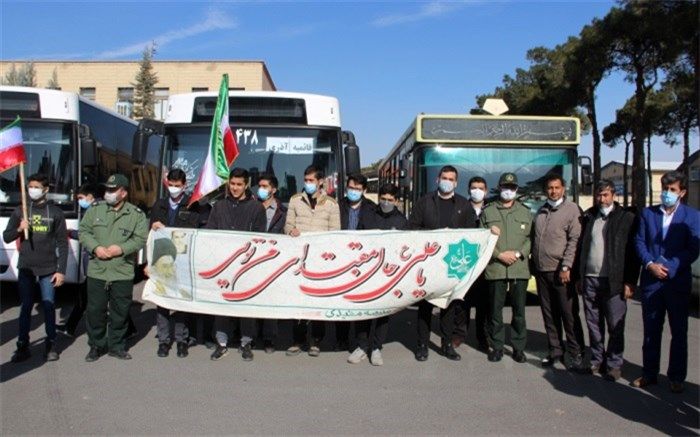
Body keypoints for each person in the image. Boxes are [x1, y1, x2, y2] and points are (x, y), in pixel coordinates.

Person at [633, 171, 699, 393]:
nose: (667, 194)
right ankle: (649, 373)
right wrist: (650, 264)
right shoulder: (647, 214)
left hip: (676, 282)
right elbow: (640, 242)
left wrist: (670, 267)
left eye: (672, 190)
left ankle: (676, 376)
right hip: (652, 282)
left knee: (678, 331)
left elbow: (692, 249)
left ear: (682, 192)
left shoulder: (692, 216)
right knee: (651, 330)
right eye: (665, 189)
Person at [408, 165, 477, 362]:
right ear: (438, 179)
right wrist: (434, 236)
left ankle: (447, 345)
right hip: (427, 263)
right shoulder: (424, 202)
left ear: (456, 183)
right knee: (425, 307)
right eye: (444, 177)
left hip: (451, 265)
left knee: (449, 307)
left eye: (451, 178)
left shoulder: (464, 205)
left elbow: (471, 234)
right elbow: (412, 228)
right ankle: (422, 345)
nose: (447, 181)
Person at [79, 173, 148, 361]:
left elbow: (140, 239)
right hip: (97, 270)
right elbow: (83, 231)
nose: (108, 193)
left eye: (112, 190)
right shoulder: (95, 210)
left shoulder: (136, 215)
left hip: (122, 271)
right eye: (107, 189)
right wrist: (96, 247)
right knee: (95, 311)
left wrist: (121, 249)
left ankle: (117, 346)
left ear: (123, 193)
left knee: (120, 312)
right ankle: (96, 345)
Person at [576, 179, 639, 381]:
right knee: (593, 324)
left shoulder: (626, 218)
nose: (602, 198)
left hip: (614, 281)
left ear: (613, 195)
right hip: (590, 279)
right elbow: (581, 250)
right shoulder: (588, 217)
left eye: (605, 194)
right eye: (599, 195)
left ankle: (614, 364)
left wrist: (629, 281)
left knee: (615, 325)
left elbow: (632, 253)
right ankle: (596, 360)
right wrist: (579, 276)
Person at [57, 184, 138, 339]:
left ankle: (72, 328)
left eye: (81, 198)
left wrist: (70, 233)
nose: (80, 201)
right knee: (96, 297)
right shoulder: (94, 209)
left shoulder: (98, 211)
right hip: (96, 262)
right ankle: (70, 327)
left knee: (103, 298)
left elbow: (91, 234)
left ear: (90, 196)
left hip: (100, 262)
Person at [3, 173, 67, 362]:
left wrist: (61, 270)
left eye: (37, 186)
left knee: (48, 305)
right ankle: (22, 345)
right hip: (26, 268)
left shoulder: (55, 213)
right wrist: (18, 228)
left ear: (46, 190)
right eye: (30, 186)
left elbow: (63, 243)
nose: (33, 190)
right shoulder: (20, 211)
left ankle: (51, 343)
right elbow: (6, 236)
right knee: (26, 307)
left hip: (48, 268)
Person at [206, 168, 266, 362]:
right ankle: (221, 343)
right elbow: (210, 233)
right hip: (223, 265)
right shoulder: (219, 206)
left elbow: (260, 238)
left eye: (239, 184)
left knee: (245, 305)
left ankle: (246, 343)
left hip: (246, 266)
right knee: (221, 305)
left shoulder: (257, 208)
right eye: (232, 184)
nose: (235, 188)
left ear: (246, 185)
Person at [347, 183, 407, 366]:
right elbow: (357, 240)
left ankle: (376, 348)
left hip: (388, 274)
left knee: (382, 312)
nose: (386, 202)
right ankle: (361, 346)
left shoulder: (402, 221)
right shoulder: (368, 215)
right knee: (363, 311)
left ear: (396, 201)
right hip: (366, 271)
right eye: (383, 199)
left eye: (390, 200)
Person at [531, 173, 586, 371]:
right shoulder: (542, 211)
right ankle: (555, 350)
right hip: (542, 271)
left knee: (569, 314)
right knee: (549, 314)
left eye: (557, 188)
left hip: (562, 272)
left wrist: (566, 266)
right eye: (550, 188)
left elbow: (574, 241)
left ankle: (576, 352)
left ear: (564, 189)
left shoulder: (572, 210)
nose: (553, 191)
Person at [284, 165, 340, 357]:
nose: (307, 184)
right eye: (305, 180)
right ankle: (297, 340)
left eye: (311, 181)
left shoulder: (331, 204)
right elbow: (288, 226)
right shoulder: (295, 201)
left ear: (320, 182)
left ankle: (316, 340)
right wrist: (291, 231)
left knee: (317, 300)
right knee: (298, 300)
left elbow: (335, 233)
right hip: (298, 260)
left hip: (320, 261)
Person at [149, 168, 205, 358]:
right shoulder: (159, 205)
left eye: (177, 186)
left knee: (181, 303)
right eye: (170, 185)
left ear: (184, 186)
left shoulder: (193, 205)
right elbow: (150, 235)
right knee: (163, 302)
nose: (173, 189)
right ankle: (164, 341)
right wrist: (155, 226)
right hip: (162, 259)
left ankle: (182, 340)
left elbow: (198, 231)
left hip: (183, 260)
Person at [480, 172, 531, 363]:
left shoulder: (525, 212)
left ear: (516, 190)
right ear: (499, 188)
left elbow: (530, 239)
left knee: (519, 312)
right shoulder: (489, 211)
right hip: (496, 267)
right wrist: (499, 255)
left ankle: (518, 348)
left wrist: (517, 254)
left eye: (512, 188)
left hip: (519, 268)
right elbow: (483, 238)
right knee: (495, 311)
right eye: (505, 187)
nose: (508, 191)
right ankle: (497, 346)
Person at [336, 173, 377, 352]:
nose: (354, 191)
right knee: (341, 300)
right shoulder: (337, 206)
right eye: (351, 188)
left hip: (363, 262)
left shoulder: (372, 208)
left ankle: (362, 340)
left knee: (360, 302)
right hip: (341, 260)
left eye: (358, 189)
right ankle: (341, 339)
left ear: (364, 191)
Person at [452, 176, 490, 352]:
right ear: (468, 190)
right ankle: (460, 334)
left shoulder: (492, 209)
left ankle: (483, 337)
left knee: (484, 304)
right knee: (462, 302)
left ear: (486, 191)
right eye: (474, 187)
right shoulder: (461, 208)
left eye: (480, 188)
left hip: (486, 264)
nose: (477, 191)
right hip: (464, 263)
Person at [256, 173, 287, 353]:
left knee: (270, 301)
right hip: (251, 260)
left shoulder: (283, 211)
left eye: (265, 186)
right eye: (259, 185)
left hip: (273, 261)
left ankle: (269, 338)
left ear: (273, 190)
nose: (261, 189)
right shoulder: (251, 207)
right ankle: (249, 336)